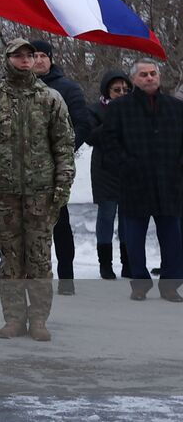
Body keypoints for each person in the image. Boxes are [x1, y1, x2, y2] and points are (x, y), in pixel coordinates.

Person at [0, 39, 75, 342]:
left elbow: (64, 146)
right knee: (11, 259)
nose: (26, 60)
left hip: (41, 193)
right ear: (7, 59)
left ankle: (39, 319)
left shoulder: (51, 99)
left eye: (30, 55)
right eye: (19, 55)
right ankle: (14, 318)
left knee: (40, 258)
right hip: (3, 194)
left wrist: (62, 185)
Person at [99, 59, 182, 301]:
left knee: (172, 236)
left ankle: (170, 285)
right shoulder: (120, 108)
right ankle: (139, 283)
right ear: (134, 79)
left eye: (153, 73)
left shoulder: (176, 108)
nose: (149, 78)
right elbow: (109, 143)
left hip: (170, 182)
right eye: (143, 74)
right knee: (134, 235)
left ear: (159, 77)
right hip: (134, 182)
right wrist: (126, 165)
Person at [31, 39, 91, 294]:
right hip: (21, 166)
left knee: (59, 220)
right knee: (22, 223)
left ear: (51, 58)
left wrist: (62, 151)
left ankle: (66, 276)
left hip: (55, 166)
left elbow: (83, 124)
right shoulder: (15, 88)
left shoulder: (67, 88)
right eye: (33, 55)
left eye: (44, 55)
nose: (39, 60)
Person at [85, 70, 131, 279]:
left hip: (129, 169)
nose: (121, 93)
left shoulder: (134, 109)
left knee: (128, 217)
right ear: (107, 91)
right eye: (116, 90)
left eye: (125, 89)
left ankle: (127, 262)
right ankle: (105, 263)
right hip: (105, 170)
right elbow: (91, 137)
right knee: (106, 215)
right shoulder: (96, 110)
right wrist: (112, 119)